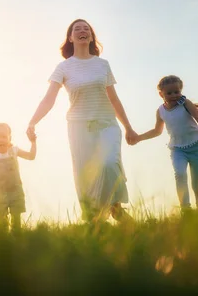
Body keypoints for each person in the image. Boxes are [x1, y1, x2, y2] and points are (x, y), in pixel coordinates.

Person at [26, 18, 136, 222]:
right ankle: (95, 220)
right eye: (77, 29)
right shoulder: (64, 67)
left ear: (92, 36)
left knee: (109, 163)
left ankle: (115, 207)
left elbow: (113, 98)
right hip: (79, 128)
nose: (82, 31)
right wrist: (33, 122)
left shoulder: (103, 65)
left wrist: (128, 127)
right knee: (88, 176)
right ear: (70, 37)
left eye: (86, 28)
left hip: (106, 124)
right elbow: (49, 99)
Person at [134, 75, 198, 212]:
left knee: (197, 184)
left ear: (181, 91)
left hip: (196, 147)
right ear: (161, 94)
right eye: (169, 93)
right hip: (177, 149)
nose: (174, 95)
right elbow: (157, 131)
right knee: (180, 174)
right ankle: (186, 210)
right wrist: (139, 138)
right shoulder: (161, 111)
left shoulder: (185, 103)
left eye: (177, 92)